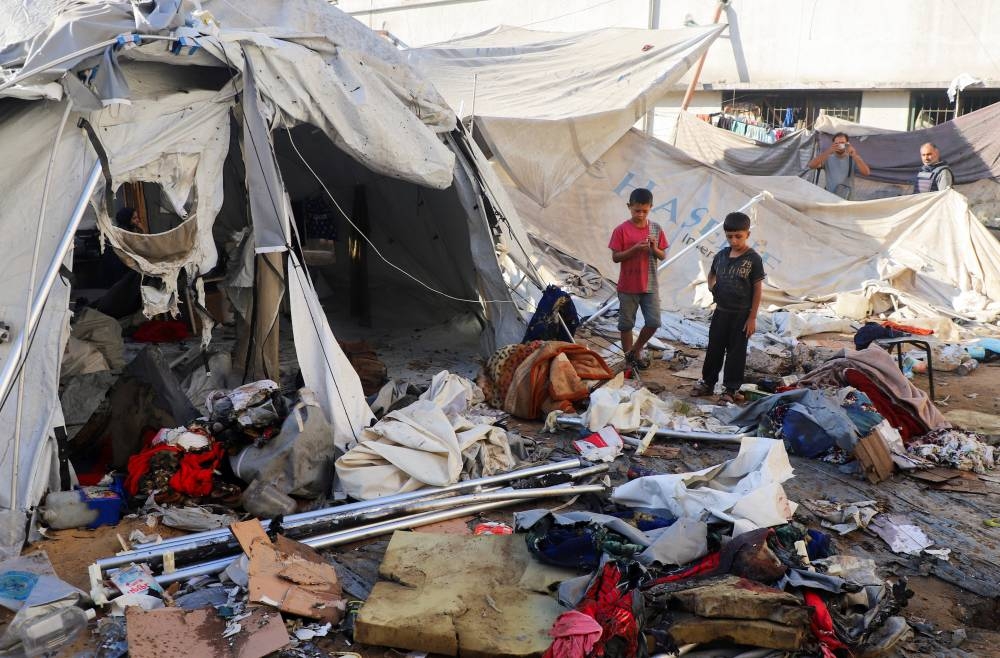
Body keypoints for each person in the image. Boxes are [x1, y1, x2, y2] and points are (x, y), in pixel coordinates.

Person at [691, 212, 765, 404]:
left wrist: (752, 318)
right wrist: (712, 288)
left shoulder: (753, 259)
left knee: (736, 353)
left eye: (738, 236)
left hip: (741, 316)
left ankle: (730, 390)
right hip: (721, 313)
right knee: (714, 349)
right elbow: (711, 274)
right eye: (729, 236)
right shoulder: (721, 255)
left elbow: (757, 290)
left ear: (747, 234)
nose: (733, 240)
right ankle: (708, 383)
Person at [608, 188, 668, 370]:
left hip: (650, 285)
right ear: (629, 207)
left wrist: (653, 248)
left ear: (650, 208)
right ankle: (629, 360)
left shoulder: (656, 229)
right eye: (637, 211)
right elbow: (616, 257)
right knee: (626, 324)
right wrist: (634, 249)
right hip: (628, 285)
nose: (640, 214)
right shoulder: (621, 230)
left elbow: (662, 255)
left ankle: (635, 350)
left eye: (645, 211)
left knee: (654, 322)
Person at [807, 131, 870, 199]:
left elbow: (866, 172)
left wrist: (854, 155)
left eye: (842, 143)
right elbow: (811, 165)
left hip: (847, 198)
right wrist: (828, 151)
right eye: (837, 143)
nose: (839, 145)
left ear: (847, 144)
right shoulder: (827, 158)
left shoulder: (853, 158)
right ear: (833, 144)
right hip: (830, 197)